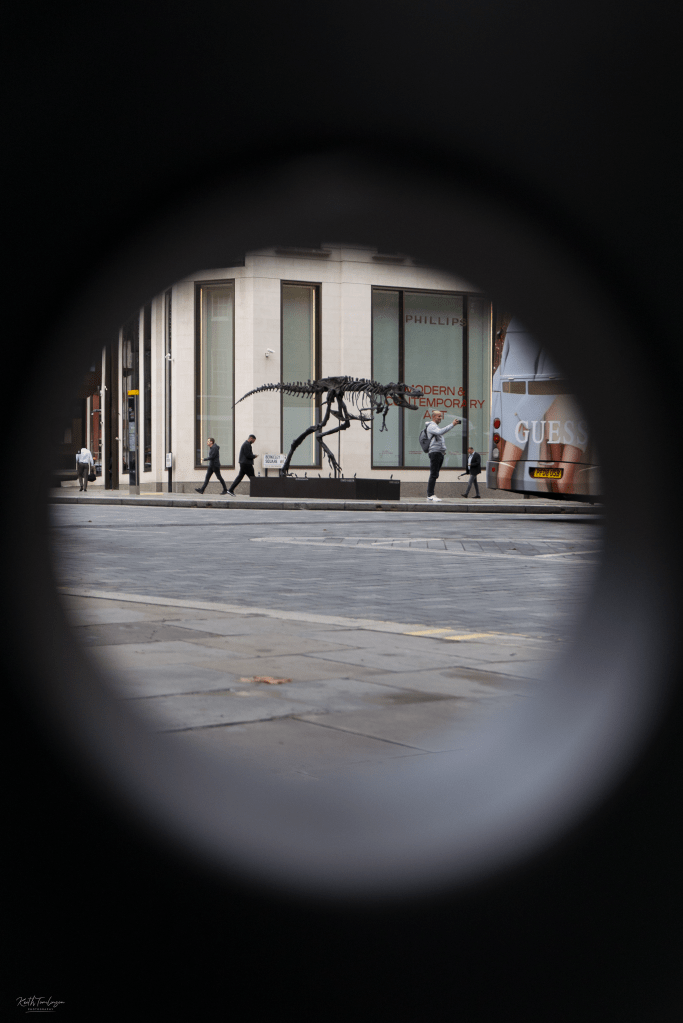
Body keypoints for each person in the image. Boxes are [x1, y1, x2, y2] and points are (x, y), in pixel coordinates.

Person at [426, 411, 460, 502]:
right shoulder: (431, 426)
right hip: (435, 453)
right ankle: (430, 495)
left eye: (441, 416)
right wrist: (452, 424)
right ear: (433, 417)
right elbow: (440, 432)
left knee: (435, 474)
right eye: (438, 416)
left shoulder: (435, 426)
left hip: (439, 453)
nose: (440, 418)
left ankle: (431, 494)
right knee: (433, 474)